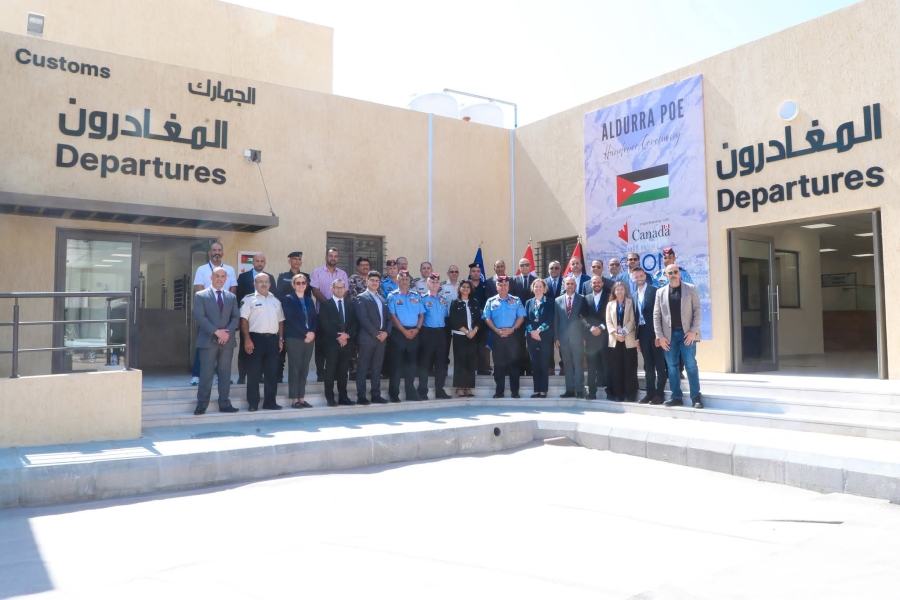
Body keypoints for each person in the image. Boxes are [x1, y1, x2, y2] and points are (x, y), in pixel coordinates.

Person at [654, 264, 703, 409]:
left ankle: (696, 397)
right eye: (670, 273)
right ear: (666, 275)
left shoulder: (690, 289)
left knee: (690, 365)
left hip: (687, 334)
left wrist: (693, 331)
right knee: (672, 366)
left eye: (675, 272)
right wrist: (660, 336)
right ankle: (676, 396)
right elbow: (656, 315)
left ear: (679, 274)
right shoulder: (660, 292)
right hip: (668, 336)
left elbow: (698, 310)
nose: (673, 274)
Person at [192, 267, 240, 415]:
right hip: (208, 340)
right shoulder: (200, 295)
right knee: (206, 374)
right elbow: (200, 317)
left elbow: (235, 317)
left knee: (225, 374)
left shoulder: (231, 297)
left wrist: (226, 333)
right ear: (211, 277)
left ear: (226, 279)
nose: (220, 279)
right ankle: (202, 404)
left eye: (222, 276)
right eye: (217, 276)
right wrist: (216, 332)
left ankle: (224, 403)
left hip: (227, 341)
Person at [190, 241, 237, 385]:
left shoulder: (230, 269)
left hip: (225, 314)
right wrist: (209, 307)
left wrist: (226, 310)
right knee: (204, 345)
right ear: (209, 253)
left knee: (223, 347)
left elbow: (233, 289)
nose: (217, 252)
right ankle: (197, 375)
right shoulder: (202, 269)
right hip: (208, 313)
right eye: (214, 250)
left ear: (222, 252)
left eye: (219, 250)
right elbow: (199, 289)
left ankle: (221, 376)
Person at [240, 272, 284, 411]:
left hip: (273, 340)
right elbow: (243, 320)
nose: (264, 284)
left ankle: (270, 402)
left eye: (266, 282)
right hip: (255, 340)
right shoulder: (248, 299)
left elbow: (281, 321)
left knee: (272, 373)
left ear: (270, 284)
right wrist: (247, 339)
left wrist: (280, 339)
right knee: (253, 373)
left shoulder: (276, 301)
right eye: (261, 281)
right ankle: (253, 403)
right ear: (255, 284)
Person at [482, 275, 526, 398]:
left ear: (508, 286)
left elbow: (521, 317)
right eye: (500, 285)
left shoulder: (516, 300)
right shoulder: (491, 301)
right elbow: (486, 318)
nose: (503, 287)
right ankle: (499, 391)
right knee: (498, 365)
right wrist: (496, 330)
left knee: (514, 364)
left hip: (512, 336)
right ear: (496, 287)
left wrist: (512, 329)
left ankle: (515, 391)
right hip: (497, 336)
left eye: (505, 284)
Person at [310, 248, 350, 382]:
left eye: (335, 256)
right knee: (321, 346)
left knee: (336, 344)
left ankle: (336, 373)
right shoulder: (317, 272)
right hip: (321, 314)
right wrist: (329, 305)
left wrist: (335, 306)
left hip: (339, 316)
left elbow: (346, 291)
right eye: (331, 255)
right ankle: (321, 374)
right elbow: (315, 291)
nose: (333, 258)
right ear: (326, 257)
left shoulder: (343, 274)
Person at [236, 253, 275, 385]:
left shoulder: (270, 278)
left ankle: (260, 375)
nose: (259, 263)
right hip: (247, 318)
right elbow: (238, 298)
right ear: (253, 262)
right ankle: (242, 376)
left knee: (261, 349)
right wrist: (239, 318)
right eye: (257, 261)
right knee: (244, 347)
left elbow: (273, 296)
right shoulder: (243, 277)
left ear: (265, 263)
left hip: (263, 319)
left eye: (262, 261)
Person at [319, 279, 358, 406]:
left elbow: (354, 323)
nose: (340, 290)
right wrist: (339, 337)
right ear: (332, 289)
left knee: (343, 371)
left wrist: (347, 335)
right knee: (330, 371)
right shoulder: (326, 304)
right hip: (332, 343)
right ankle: (330, 398)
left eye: (342, 287)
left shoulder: (350, 305)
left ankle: (343, 397)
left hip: (347, 343)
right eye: (337, 287)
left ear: (345, 289)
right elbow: (325, 323)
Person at [274, 251, 311, 384]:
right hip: (285, 316)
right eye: (294, 259)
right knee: (282, 348)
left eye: (299, 259)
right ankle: (278, 377)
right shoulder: (283, 276)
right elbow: (279, 295)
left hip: (301, 319)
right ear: (289, 261)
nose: (297, 261)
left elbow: (307, 297)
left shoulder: (306, 277)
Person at [355, 271, 392, 404]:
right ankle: (361, 396)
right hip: (367, 339)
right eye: (372, 280)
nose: (375, 283)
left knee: (377, 368)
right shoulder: (361, 297)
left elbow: (389, 319)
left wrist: (386, 333)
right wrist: (377, 333)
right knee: (363, 367)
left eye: (377, 281)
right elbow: (363, 319)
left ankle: (376, 394)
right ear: (367, 281)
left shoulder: (382, 299)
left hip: (381, 339)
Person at [632, 267, 667, 404]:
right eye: (636, 276)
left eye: (641, 276)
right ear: (633, 278)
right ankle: (649, 393)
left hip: (655, 332)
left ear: (645, 276)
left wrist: (660, 335)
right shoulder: (634, 295)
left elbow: (662, 314)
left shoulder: (655, 291)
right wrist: (637, 339)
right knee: (648, 364)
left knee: (659, 363)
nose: (639, 278)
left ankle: (660, 394)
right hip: (642, 333)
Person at [281, 273, 317, 409]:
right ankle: (294, 399)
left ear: (306, 285)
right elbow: (291, 318)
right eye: (298, 283)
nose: (301, 285)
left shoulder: (309, 300)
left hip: (309, 339)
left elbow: (314, 319)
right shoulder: (288, 299)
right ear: (293, 285)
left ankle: (301, 398)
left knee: (304, 369)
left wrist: (312, 332)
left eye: (303, 283)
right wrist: (305, 333)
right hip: (295, 338)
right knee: (295, 368)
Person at [387, 270, 424, 401]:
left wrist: (417, 329)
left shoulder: (416, 296)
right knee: (396, 365)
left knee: (412, 365)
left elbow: (421, 315)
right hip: (398, 333)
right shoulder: (392, 296)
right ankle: (394, 394)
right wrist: (404, 331)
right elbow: (393, 316)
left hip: (414, 332)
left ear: (409, 281)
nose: (404, 281)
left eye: (407, 279)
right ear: (397, 280)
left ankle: (411, 393)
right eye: (402, 279)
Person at [417, 273, 452, 399]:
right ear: (427, 283)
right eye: (432, 282)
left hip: (441, 333)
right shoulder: (422, 298)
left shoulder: (443, 299)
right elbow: (420, 316)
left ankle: (439, 390)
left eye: (437, 282)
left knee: (441, 363)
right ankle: (422, 391)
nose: (434, 284)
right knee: (425, 362)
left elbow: (447, 316)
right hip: (428, 333)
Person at [554, 276, 587, 398]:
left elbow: (585, 319)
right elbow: (556, 320)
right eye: (567, 283)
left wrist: (584, 337)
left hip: (577, 338)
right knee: (567, 365)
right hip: (563, 339)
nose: (570, 285)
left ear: (575, 285)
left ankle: (579, 390)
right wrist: (556, 338)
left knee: (578, 365)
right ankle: (570, 390)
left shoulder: (582, 299)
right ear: (564, 285)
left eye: (572, 283)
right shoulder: (558, 300)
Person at [606, 280, 638, 402]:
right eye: (617, 289)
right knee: (616, 367)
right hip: (615, 340)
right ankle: (618, 394)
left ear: (625, 291)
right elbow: (608, 321)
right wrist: (615, 333)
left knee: (630, 367)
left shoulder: (630, 302)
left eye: (621, 289)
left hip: (628, 338)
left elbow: (633, 320)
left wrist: (624, 332)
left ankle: (630, 395)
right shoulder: (610, 304)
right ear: (614, 291)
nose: (619, 291)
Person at [449, 280, 481, 398]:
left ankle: (468, 387)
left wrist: (474, 331)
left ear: (471, 289)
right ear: (460, 289)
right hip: (460, 335)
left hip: (472, 335)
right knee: (460, 361)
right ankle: (460, 387)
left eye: (468, 287)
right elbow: (453, 320)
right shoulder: (455, 302)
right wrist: (467, 331)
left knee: (470, 362)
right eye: (463, 287)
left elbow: (479, 319)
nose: (466, 289)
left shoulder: (474, 302)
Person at [524, 278, 554, 398]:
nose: (538, 288)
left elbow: (550, 318)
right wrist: (532, 331)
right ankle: (536, 390)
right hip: (531, 336)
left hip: (544, 336)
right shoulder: (528, 302)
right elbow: (525, 318)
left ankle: (543, 390)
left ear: (544, 288)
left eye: (540, 286)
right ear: (533, 288)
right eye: (536, 286)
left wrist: (539, 331)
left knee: (544, 363)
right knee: (534, 363)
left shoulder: (550, 302)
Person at [582, 274, 610, 400]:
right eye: (594, 282)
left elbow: (611, 316)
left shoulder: (609, 297)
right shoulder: (586, 298)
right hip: (591, 337)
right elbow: (583, 317)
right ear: (590, 284)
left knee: (606, 364)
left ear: (602, 283)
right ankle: (592, 392)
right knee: (591, 366)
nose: (596, 284)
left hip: (605, 337)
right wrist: (591, 328)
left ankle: (610, 392)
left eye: (598, 282)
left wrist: (601, 327)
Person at [346, 257, 371, 379]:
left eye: (367, 265)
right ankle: (354, 371)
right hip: (357, 317)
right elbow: (354, 298)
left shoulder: (373, 279)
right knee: (355, 346)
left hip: (372, 320)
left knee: (369, 345)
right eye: (362, 265)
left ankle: (368, 371)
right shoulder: (353, 279)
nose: (365, 267)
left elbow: (379, 296)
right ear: (357, 267)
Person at [468, 262, 492, 375]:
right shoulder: (466, 286)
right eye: (474, 271)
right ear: (470, 272)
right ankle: (471, 367)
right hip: (469, 319)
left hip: (483, 319)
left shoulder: (485, 285)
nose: (476, 273)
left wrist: (482, 309)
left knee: (483, 344)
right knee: (470, 344)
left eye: (478, 271)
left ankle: (483, 368)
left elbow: (489, 299)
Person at [515, 257, 537, 376]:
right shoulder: (513, 280)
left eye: (526, 265)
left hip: (533, 317)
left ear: (530, 266)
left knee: (532, 344)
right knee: (519, 345)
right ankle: (520, 368)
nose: (524, 267)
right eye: (522, 265)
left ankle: (530, 369)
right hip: (517, 319)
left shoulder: (536, 280)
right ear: (519, 267)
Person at [543, 260, 565, 376]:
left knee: (562, 343)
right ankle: (549, 367)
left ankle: (563, 366)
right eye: (552, 268)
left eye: (556, 268)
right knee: (548, 344)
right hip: (547, 317)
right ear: (548, 270)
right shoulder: (543, 283)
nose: (554, 270)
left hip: (562, 317)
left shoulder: (565, 282)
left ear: (560, 269)